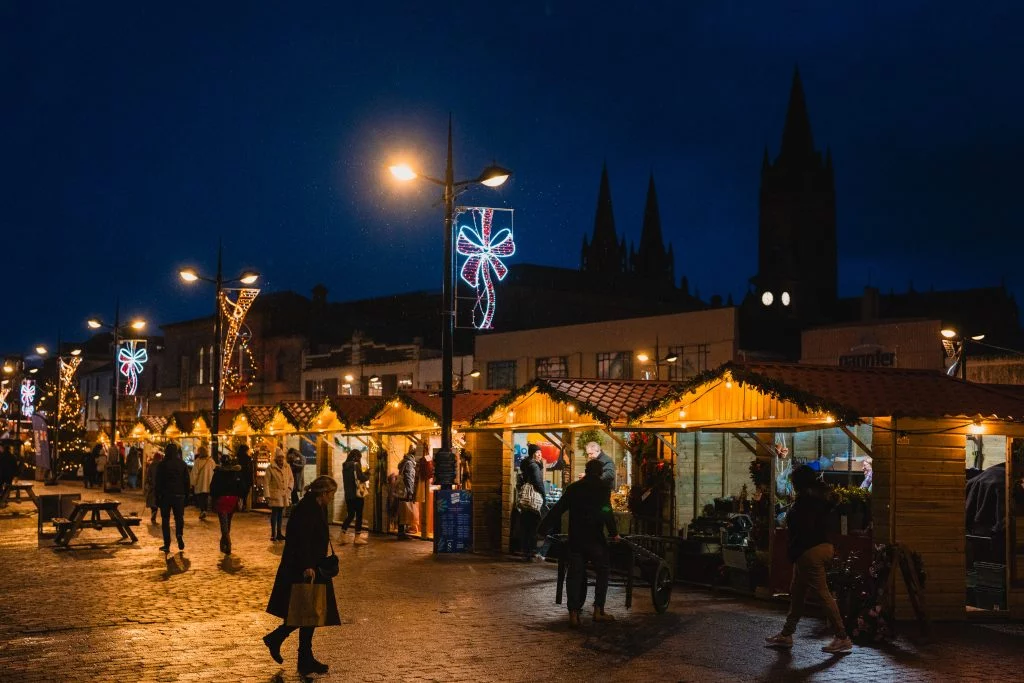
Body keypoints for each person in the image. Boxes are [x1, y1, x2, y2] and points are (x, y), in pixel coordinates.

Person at [765, 465, 853, 654]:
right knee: (797, 593)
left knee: (822, 593)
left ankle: (842, 636)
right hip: (821, 547)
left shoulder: (805, 501)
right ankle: (786, 635)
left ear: (798, 483)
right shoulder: (821, 498)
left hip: (808, 551)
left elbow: (801, 527)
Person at [263, 476, 340, 676]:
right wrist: (307, 565)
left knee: (310, 612)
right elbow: (301, 539)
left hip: (315, 565)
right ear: (323, 493)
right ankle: (283, 643)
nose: (332, 498)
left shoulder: (317, 507)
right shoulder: (306, 509)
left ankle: (298, 653)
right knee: (306, 611)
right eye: (331, 494)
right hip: (305, 568)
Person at [538, 458, 620, 627]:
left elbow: (558, 509)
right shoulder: (603, 489)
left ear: (587, 470)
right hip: (595, 539)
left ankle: (573, 614)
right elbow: (606, 511)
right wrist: (614, 533)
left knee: (574, 574)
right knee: (603, 570)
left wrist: (542, 529)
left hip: (576, 538)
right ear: (599, 472)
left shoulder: (574, 488)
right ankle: (598, 610)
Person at [155, 443, 189, 553]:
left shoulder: (162, 465)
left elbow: (158, 482)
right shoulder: (182, 464)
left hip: (165, 496)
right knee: (179, 517)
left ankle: (167, 543)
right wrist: (187, 496)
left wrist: (157, 497)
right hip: (179, 495)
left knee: (165, 520)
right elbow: (187, 482)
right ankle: (179, 534)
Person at [210, 453, 245, 555]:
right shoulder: (236, 472)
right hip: (232, 500)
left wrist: (213, 498)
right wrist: (240, 496)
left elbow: (213, 487)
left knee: (223, 522)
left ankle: (228, 543)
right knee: (228, 521)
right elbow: (242, 486)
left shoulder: (218, 473)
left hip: (222, 500)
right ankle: (224, 542)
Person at [518, 444, 547, 561]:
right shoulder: (534, 466)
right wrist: (544, 496)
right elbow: (538, 483)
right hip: (533, 500)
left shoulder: (526, 464)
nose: (540, 455)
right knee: (534, 527)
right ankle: (532, 552)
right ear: (533, 454)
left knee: (526, 527)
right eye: (538, 452)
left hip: (526, 500)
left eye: (541, 452)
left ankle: (526, 552)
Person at [339, 449, 370, 545]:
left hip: (348, 495)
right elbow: (361, 477)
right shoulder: (355, 465)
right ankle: (357, 538)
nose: (359, 460)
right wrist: (368, 473)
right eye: (359, 458)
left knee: (351, 514)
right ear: (356, 457)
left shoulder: (345, 466)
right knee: (359, 515)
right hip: (357, 494)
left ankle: (342, 534)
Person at [265, 449, 294, 542]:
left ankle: (279, 533)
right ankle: (273, 534)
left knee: (280, 514)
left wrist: (289, 488)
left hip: (284, 494)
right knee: (274, 514)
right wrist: (267, 495)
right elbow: (266, 482)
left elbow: (291, 479)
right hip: (275, 494)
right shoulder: (270, 468)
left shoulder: (287, 467)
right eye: (279, 457)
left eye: (282, 457)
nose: (281, 459)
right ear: (276, 458)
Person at [397, 448, 418, 539]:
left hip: (402, 490)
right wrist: (410, 491)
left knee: (403, 511)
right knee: (405, 511)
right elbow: (409, 478)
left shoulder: (405, 461)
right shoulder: (409, 463)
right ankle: (401, 533)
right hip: (405, 490)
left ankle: (401, 532)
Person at [190, 445, 215, 520]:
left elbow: (194, 473)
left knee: (201, 497)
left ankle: (203, 510)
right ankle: (206, 509)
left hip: (201, 483)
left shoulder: (198, 461)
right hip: (209, 482)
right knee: (207, 496)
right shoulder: (211, 461)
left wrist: (192, 483)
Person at [144, 450, 163, 524]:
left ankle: (153, 513)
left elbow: (148, 476)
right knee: (159, 501)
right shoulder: (162, 465)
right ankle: (155, 514)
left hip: (152, 486)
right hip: (160, 486)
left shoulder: (151, 465)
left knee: (153, 501)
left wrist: (147, 483)